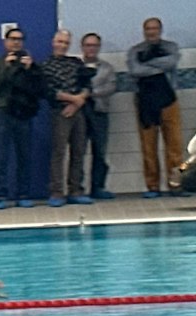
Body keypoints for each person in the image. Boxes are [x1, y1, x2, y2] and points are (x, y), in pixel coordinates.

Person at [0, 27, 44, 208]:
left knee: (24, 155)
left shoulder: (29, 63)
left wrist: (30, 69)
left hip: (23, 113)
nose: (16, 42)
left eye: (20, 39)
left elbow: (38, 88)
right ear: (5, 42)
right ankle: (0, 195)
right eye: (12, 39)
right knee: (1, 155)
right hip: (2, 112)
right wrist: (6, 67)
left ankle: (23, 193)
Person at [129, 18, 185, 197]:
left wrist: (147, 63)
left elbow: (172, 62)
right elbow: (135, 71)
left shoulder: (171, 47)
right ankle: (152, 186)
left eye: (154, 28)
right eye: (148, 29)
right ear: (144, 31)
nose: (151, 32)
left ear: (160, 30)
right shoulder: (135, 50)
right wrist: (159, 65)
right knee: (148, 147)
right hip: (145, 102)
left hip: (169, 100)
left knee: (174, 146)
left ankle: (175, 184)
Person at [43, 29, 92, 206]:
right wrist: (72, 100)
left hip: (78, 111)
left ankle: (75, 189)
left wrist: (78, 102)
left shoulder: (76, 63)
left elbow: (87, 85)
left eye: (65, 43)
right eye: (59, 42)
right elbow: (48, 92)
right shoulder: (46, 65)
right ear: (53, 42)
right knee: (59, 152)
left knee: (79, 151)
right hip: (60, 112)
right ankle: (57, 192)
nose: (62, 45)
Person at [80, 34, 118, 199]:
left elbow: (110, 87)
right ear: (82, 47)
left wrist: (89, 93)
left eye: (94, 45)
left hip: (99, 112)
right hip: (80, 113)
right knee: (78, 152)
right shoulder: (76, 67)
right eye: (88, 45)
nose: (91, 48)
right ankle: (77, 188)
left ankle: (98, 187)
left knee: (100, 152)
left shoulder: (107, 68)